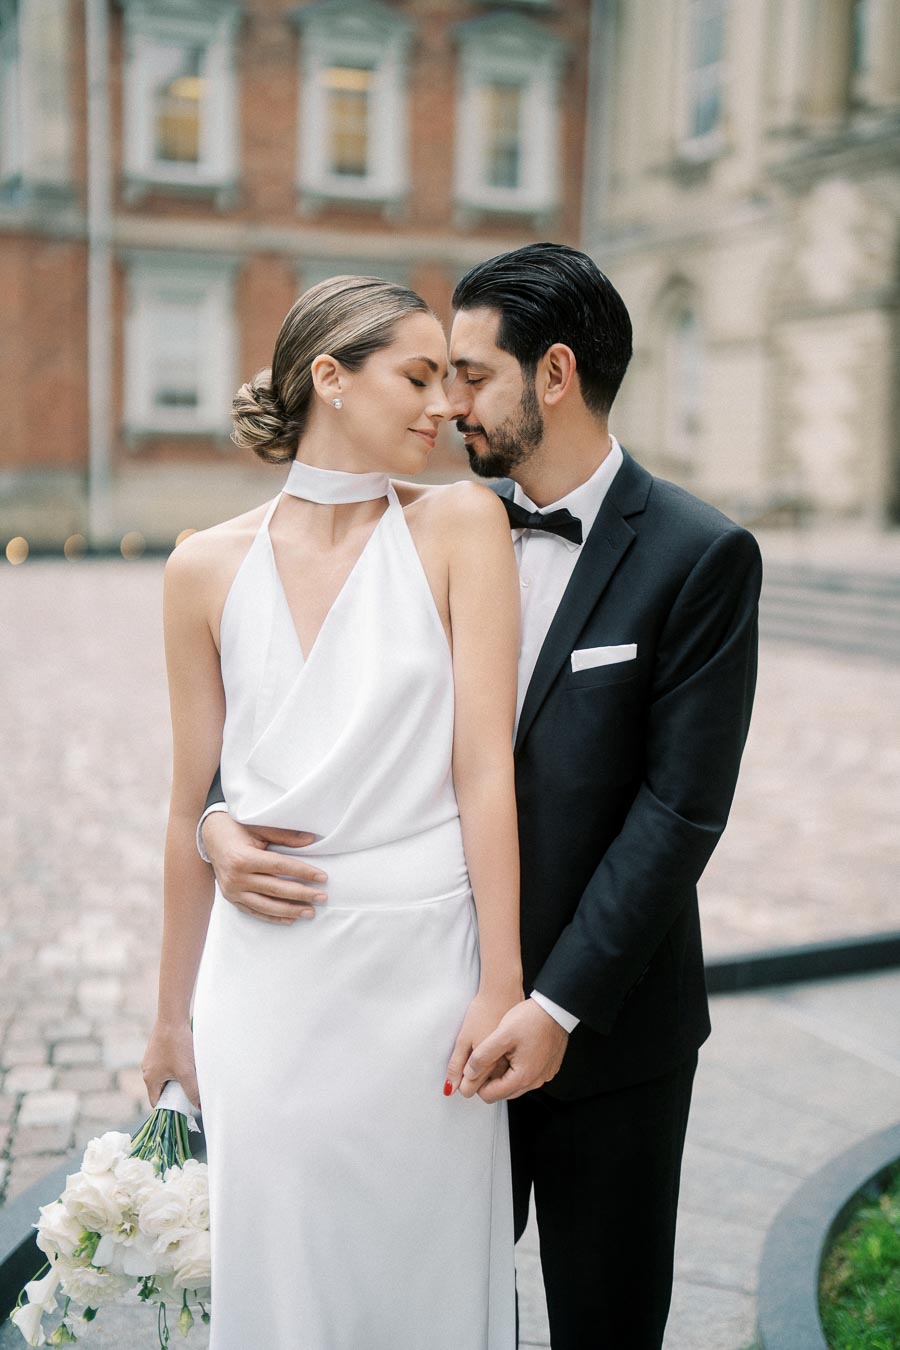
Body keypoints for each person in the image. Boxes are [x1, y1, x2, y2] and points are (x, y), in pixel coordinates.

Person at [200, 244, 763, 1349]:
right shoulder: (429, 524)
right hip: (428, 1020)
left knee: (607, 1322)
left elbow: (679, 811)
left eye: (470, 373)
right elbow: (299, 697)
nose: (447, 402)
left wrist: (551, 1006)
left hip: (606, 1030)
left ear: (553, 375)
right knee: (431, 1311)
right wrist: (220, 815)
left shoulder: (702, 556)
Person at [141, 275, 523, 1349]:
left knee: (422, 1272)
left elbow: (485, 770)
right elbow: (187, 811)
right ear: (329, 379)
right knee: (283, 1267)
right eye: (417, 376)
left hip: (425, 972)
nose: (445, 404)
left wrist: (502, 981)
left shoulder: (462, 525)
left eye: (452, 379)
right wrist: (172, 1016)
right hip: (265, 979)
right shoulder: (201, 567)